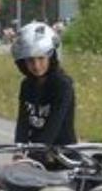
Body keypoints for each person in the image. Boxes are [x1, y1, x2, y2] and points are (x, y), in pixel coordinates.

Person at [12, 22, 76, 165]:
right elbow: (23, 122)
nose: (36, 66)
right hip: (36, 154)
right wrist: (18, 151)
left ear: (52, 57)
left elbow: (54, 125)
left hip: (62, 157)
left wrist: (32, 157)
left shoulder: (62, 85)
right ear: (22, 62)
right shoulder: (26, 85)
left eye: (41, 58)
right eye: (30, 60)